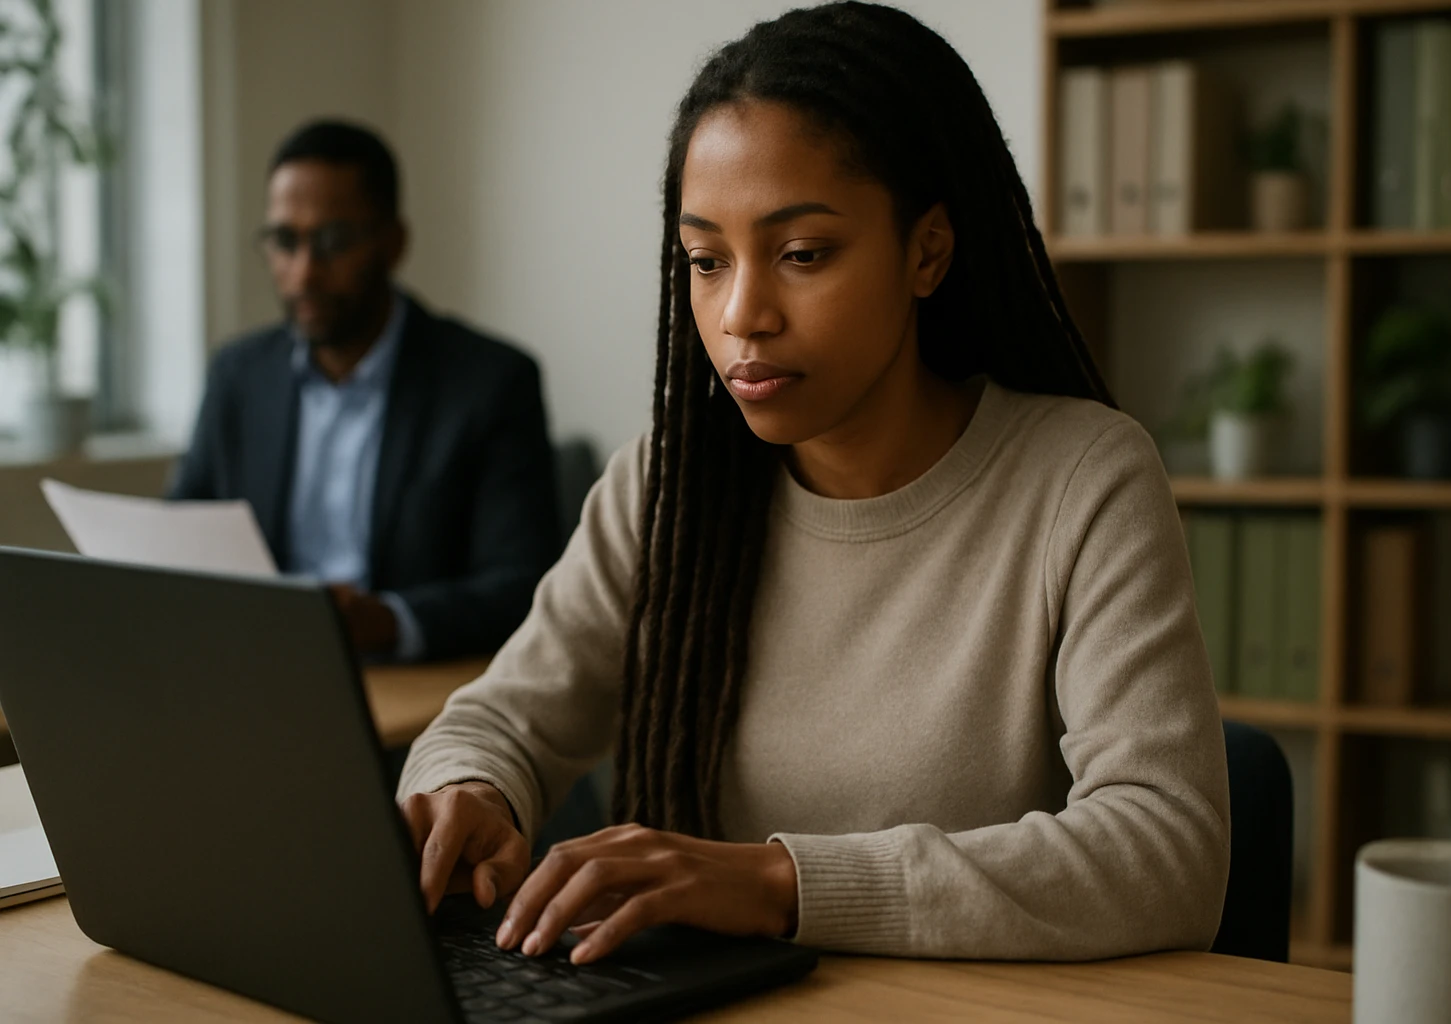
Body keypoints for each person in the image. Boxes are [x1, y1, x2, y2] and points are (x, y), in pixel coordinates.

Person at [397, 2, 1230, 966]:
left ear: (927, 251)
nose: (741, 314)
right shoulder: (668, 487)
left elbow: (1168, 849)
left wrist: (776, 884)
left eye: (801, 255)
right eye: (706, 262)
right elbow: (503, 716)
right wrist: (472, 789)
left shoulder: (1083, 479)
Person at [170, 121, 561, 662]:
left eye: (332, 241)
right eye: (285, 241)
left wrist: (386, 621)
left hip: (409, 679)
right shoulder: (237, 376)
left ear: (392, 243)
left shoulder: (490, 382)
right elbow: (178, 536)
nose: (304, 274)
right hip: (256, 665)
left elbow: (523, 586)